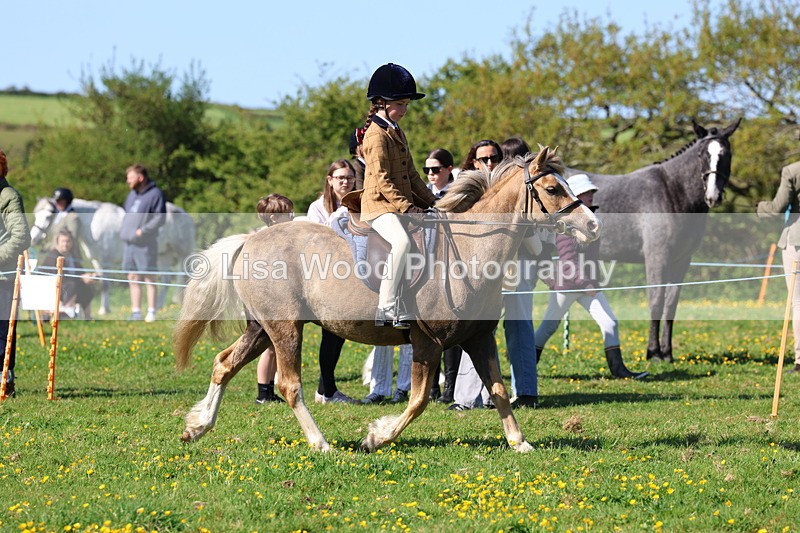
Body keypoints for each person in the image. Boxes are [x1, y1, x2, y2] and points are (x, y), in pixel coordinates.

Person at [534, 174, 647, 379]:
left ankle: (618, 370)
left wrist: (592, 281)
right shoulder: (567, 223)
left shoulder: (591, 219)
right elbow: (568, 261)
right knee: (549, 327)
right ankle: (525, 365)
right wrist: (587, 284)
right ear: (576, 196)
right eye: (587, 193)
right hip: (567, 286)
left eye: (591, 192)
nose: (591, 195)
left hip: (587, 284)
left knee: (610, 323)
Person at [360, 63, 436, 329]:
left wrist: (434, 202)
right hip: (378, 206)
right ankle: (386, 306)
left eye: (406, 105)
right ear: (381, 103)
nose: (404, 110)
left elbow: (412, 175)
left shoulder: (396, 130)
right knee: (402, 243)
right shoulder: (375, 135)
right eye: (400, 105)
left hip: (396, 205)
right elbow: (383, 179)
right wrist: (407, 208)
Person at [449, 139, 505, 411]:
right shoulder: (466, 185)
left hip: (493, 267)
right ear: (474, 161)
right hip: (463, 267)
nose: (490, 163)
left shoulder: (504, 187)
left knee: (485, 331)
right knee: (471, 332)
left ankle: (486, 395)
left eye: (494, 158)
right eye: (484, 159)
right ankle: (465, 398)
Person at [306, 160, 359, 404]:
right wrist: (340, 215)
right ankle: (327, 391)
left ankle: (325, 389)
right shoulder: (318, 207)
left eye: (349, 177)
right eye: (340, 178)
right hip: (324, 272)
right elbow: (315, 239)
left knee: (339, 333)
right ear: (330, 180)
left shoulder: (359, 203)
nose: (345, 182)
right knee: (332, 332)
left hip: (350, 271)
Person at [499, 137, 540, 408]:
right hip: (497, 266)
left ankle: (525, 390)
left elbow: (536, 244)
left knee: (520, 327)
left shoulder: (529, 190)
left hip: (520, 266)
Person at [422, 147, 462, 403]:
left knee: (452, 332)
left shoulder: (458, 194)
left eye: (435, 169)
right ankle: (432, 387)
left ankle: (450, 388)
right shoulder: (424, 193)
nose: (431, 174)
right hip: (427, 266)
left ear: (449, 169)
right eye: (427, 170)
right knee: (430, 328)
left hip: (453, 264)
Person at [758, 158, 800, 373]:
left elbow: (777, 208)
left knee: (798, 302)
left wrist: (760, 207)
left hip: (797, 240)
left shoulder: (792, 171)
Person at [253, 193, 294, 403]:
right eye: (288, 213)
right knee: (269, 347)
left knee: (275, 347)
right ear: (274, 218)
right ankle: (263, 393)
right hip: (268, 298)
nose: (292, 216)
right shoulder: (268, 239)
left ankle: (268, 390)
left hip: (277, 298)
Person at [0, 149, 32, 398]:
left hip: (3, 277)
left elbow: (21, 236)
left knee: (2, 335)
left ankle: (4, 380)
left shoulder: (8, 196)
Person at [120, 164, 166, 322]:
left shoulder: (156, 194)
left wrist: (143, 231)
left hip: (145, 244)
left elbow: (160, 218)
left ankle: (152, 312)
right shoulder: (132, 195)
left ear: (140, 178)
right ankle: (136, 312)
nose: (128, 181)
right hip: (129, 244)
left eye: (130, 178)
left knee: (149, 276)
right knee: (132, 276)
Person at [41, 229, 96, 319]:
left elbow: (80, 271)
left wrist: (90, 276)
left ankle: (88, 317)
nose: (65, 244)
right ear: (57, 242)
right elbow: (60, 278)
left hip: (69, 286)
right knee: (73, 285)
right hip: (54, 289)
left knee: (86, 288)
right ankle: (66, 313)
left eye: (68, 241)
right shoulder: (53, 256)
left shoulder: (71, 256)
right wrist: (81, 278)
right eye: (63, 241)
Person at [42, 188, 83, 258]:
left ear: (67, 202)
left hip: (66, 255)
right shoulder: (58, 214)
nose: (57, 203)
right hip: (54, 252)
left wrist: (50, 247)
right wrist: (46, 247)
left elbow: (72, 239)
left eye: (60, 201)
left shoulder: (72, 217)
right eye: (56, 201)